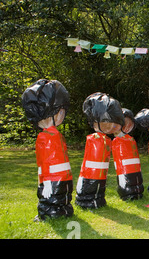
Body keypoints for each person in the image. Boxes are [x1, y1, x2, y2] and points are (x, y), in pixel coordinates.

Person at [22, 79, 73, 221]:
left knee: (62, 196)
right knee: (51, 197)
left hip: (63, 178)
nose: (62, 115)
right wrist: (47, 181)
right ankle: (49, 213)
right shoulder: (46, 137)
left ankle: (63, 210)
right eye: (60, 112)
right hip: (52, 179)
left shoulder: (55, 135)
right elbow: (44, 161)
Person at [76, 92, 124, 209]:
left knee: (99, 185)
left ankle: (98, 199)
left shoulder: (106, 140)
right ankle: (86, 201)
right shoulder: (94, 139)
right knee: (90, 186)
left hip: (101, 174)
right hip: (89, 175)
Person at [112, 108, 144, 201]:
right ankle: (128, 192)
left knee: (134, 178)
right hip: (125, 172)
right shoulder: (120, 141)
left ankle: (135, 191)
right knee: (127, 181)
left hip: (134, 170)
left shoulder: (129, 139)